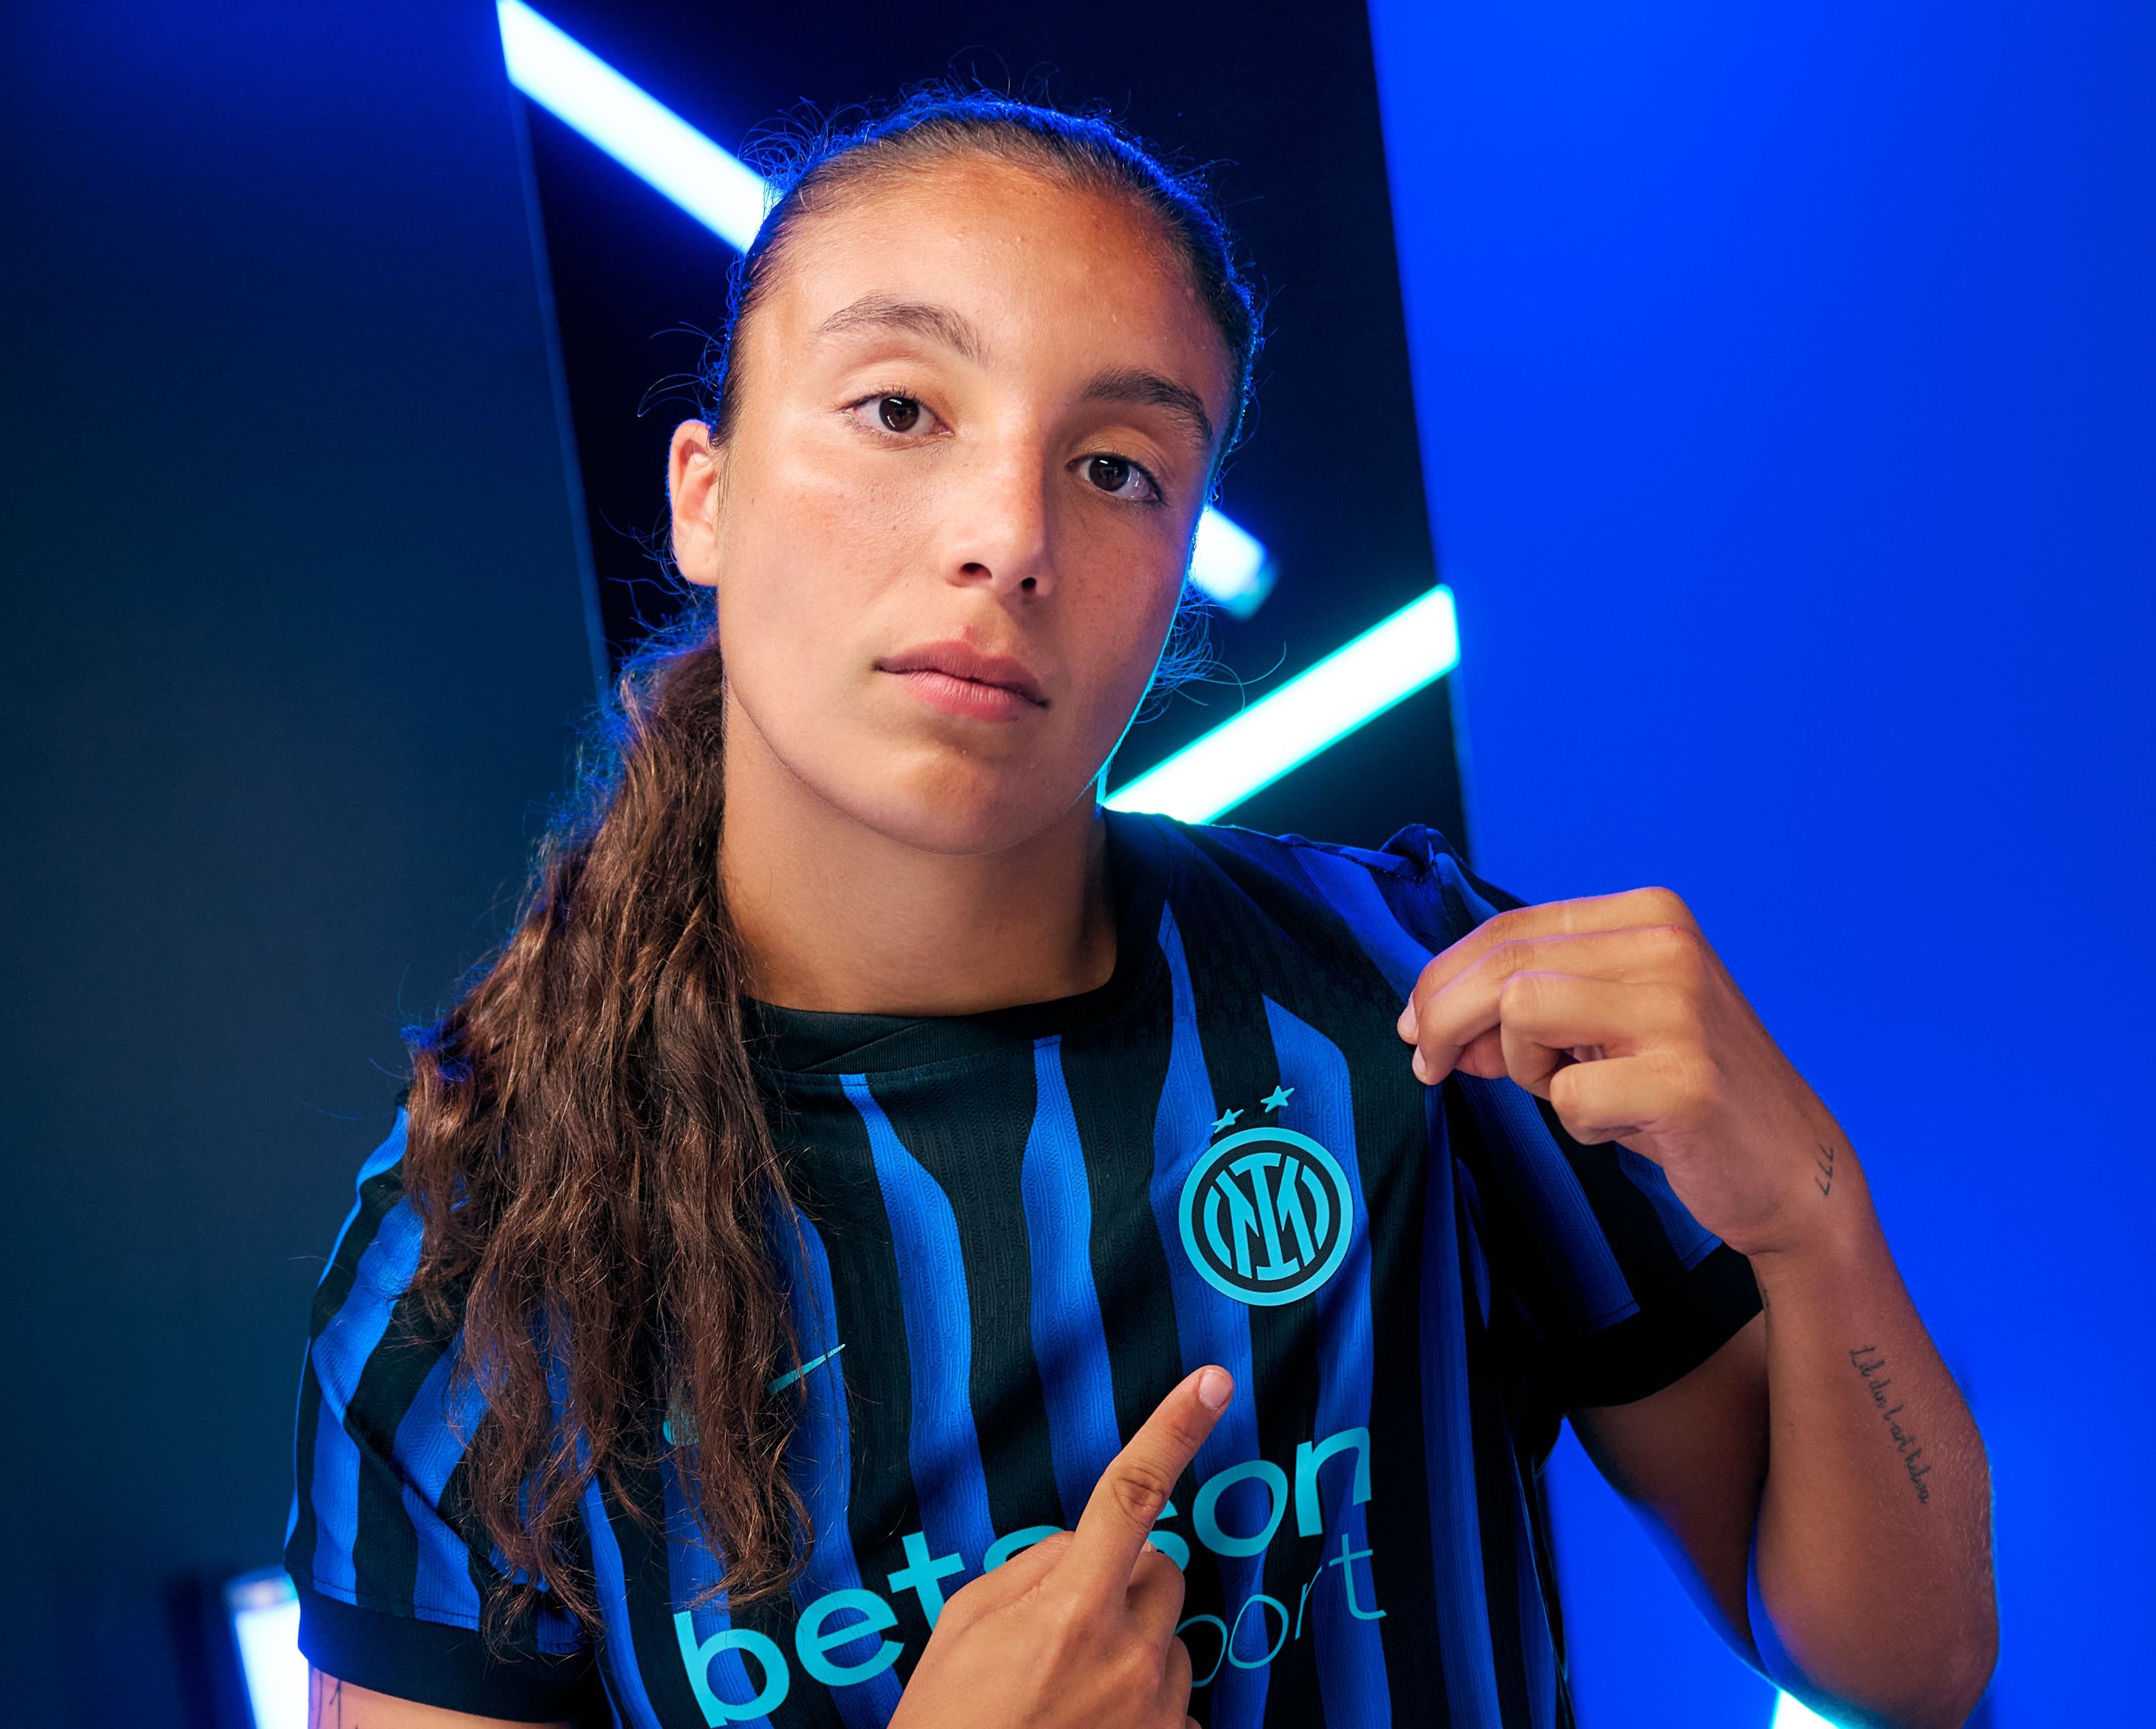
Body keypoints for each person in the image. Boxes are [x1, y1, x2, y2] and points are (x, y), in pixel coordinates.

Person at [283, 92, 1994, 1729]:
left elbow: (1904, 1672)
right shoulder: (468, 1258)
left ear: (1176, 575)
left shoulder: (1421, 1004)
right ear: (704, 494)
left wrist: (1814, 1218)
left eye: (1113, 468)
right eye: (899, 411)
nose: (1004, 537)